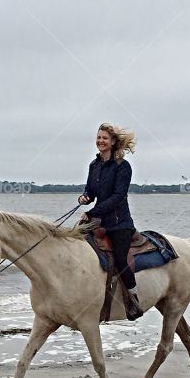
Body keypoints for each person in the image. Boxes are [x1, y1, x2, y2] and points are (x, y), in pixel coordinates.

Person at [78, 123, 145, 320]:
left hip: (119, 223)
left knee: (121, 259)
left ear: (113, 142)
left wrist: (92, 212)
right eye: (98, 137)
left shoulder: (123, 166)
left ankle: (133, 300)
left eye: (104, 138)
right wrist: (84, 198)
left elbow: (118, 196)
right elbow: (91, 191)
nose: (100, 141)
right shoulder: (94, 165)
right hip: (99, 219)